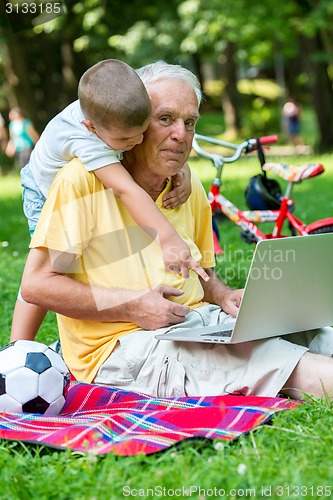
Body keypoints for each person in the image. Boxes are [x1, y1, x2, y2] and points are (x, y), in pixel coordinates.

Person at [17, 61, 333, 401]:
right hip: (123, 347)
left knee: (317, 333)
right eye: (165, 119)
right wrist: (132, 305)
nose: (181, 135)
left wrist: (224, 295)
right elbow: (37, 285)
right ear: (133, 121)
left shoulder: (187, 184)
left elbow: (200, 273)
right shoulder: (81, 181)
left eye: (190, 122)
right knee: (285, 364)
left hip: (199, 324)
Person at [10, 59, 208, 344]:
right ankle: (18, 347)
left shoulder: (116, 109)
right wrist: (168, 239)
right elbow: (126, 189)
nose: (139, 140)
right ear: (92, 127)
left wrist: (181, 169)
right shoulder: (87, 142)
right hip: (42, 187)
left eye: (142, 131)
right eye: (129, 138)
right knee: (55, 264)